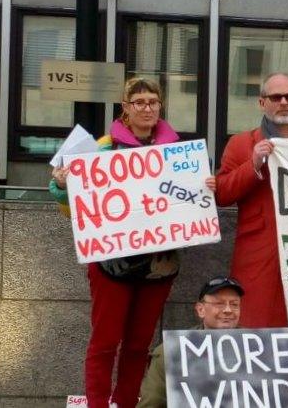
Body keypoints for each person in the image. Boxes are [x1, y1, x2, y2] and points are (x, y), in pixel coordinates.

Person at [49, 77, 216, 408]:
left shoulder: (178, 151)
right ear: (125, 108)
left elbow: (194, 199)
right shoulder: (102, 147)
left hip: (159, 266)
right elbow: (68, 203)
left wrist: (208, 185)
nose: (147, 108)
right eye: (139, 102)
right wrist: (61, 184)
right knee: (105, 342)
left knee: (139, 345)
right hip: (111, 264)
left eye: (153, 102)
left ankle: (126, 403)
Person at [215, 72, 288, 328]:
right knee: (254, 324)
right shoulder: (241, 144)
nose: (283, 102)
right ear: (262, 103)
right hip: (256, 254)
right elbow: (223, 193)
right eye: (276, 97)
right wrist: (253, 165)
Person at [137, 276, 244, 408]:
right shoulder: (171, 351)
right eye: (219, 303)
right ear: (200, 310)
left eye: (234, 304)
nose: (228, 310)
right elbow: (152, 402)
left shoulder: (261, 349)